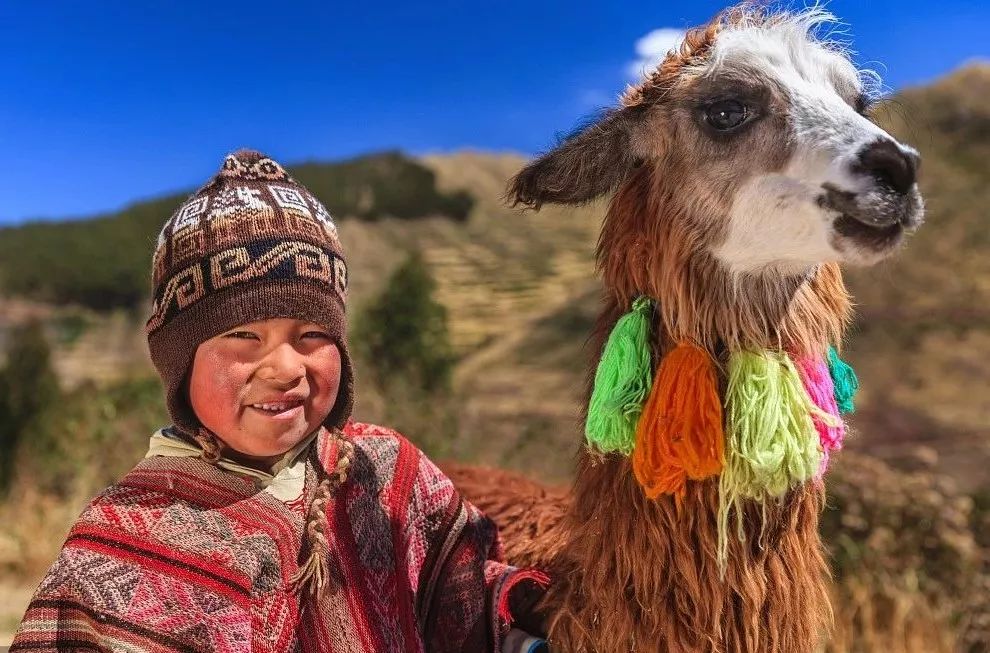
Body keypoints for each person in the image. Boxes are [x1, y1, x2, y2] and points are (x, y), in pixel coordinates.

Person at [11, 150, 548, 652]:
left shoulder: (389, 477)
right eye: (244, 336)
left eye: (313, 334)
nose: (287, 368)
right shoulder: (122, 536)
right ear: (180, 360)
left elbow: (466, 599)